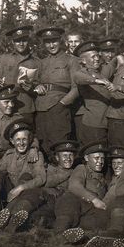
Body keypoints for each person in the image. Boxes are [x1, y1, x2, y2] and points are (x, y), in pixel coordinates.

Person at [0, 140, 79, 233]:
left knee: (36, 197)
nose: (68, 158)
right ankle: (10, 220)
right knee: (33, 207)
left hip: (57, 204)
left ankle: (11, 219)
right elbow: (42, 180)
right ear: (57, 157)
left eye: (71, 155)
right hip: (40, 200)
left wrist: (68, 173)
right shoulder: (48, 168)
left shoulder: (76, 171)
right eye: (64, 155)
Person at [0, 119, 46, 224]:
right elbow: (1, 174)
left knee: (26, 176)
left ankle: (8, 214)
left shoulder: (36, 155)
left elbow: (41, 178)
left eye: (24, 139)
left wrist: (21, 187)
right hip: (10, 191)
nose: (21, 143)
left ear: (30, 140)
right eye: (17, 140)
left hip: (25, 192)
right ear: (12, 141)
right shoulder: (9, 154)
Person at [34, 27, 80, 155]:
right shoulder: (41, 63)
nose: (51, 45)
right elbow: (34, 82)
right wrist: (37, 86)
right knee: (43, 146)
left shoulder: (71, 60)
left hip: (59, 109)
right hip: (41, 108)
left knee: (59, 145)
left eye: (54, 41)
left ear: (60, 41)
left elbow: (77, 88)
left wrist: (62, 104)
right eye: (47, 42)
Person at [53, 141, 109, 239]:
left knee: (103, 218)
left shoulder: (103, 179)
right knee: (69, 200)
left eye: (102, 158)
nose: (100, 161)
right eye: (96, 158)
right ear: (87, 158)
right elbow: (74, 186)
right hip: (74, 205)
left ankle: (77, 235)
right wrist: (94, 199)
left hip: (89, 213)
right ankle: (60, 234)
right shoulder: (82, 168)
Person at [0, 25, 40, 124]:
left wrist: (32, 88)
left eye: (24, 40)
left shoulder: (36, 61)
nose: (21, 43)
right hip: (6, 105)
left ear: (28, 41)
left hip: (26, 106)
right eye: (17, 41)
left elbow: (39, 86)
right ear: (12, 42)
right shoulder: (5, 59)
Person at [73, 41, 112, 145]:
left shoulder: (100, 72)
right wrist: (96, 81)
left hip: (105, 122)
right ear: (84, 61)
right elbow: (78, 78)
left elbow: (114, 63)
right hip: (93, 124)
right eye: (93, 56)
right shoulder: (82, 73)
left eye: (98, 56)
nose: (97, 59)